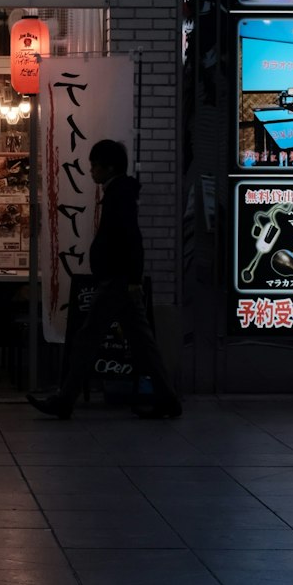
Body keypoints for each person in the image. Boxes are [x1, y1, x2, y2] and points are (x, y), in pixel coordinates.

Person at [27, 138, 182, 420]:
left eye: (94, 165)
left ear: (108, 167)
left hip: (116, 281)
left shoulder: (118, 195)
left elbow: (130, 238)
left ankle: (65, 399)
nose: (91, 171)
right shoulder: (120, 193)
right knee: (141, 342)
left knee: (87, 339)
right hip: (121, 280)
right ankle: (168, 399)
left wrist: (133, 276)